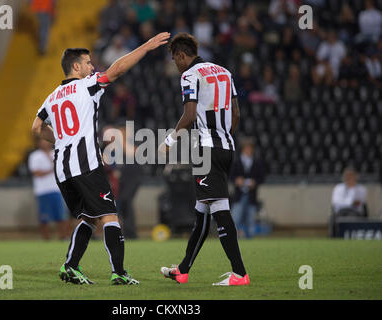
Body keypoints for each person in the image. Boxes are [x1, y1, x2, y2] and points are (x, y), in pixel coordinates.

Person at [31, 32, 170, 285]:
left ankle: (71, 266)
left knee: (89, 217)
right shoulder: (88, 84)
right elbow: (117, 69)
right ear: (76, 66)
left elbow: (36, 127)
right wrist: (146, 46)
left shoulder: (51, 98)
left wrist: (61, 140)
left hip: (62, 169)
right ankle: (119, 273)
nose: (91, 67)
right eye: (87, 62)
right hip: (85, 164)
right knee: (109, 216)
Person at [159, 33, 250, 286]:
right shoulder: (224, 72)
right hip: (227, 147)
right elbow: (236, 115)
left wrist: (169, 141)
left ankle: (240, 274)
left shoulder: (189, 75)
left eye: (174, 59)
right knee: (202, 210)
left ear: (181, 55)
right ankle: (184, 269)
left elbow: (189, 115)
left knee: (219, 210)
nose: (175, 65)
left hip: (206, 150)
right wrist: (222, 138)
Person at [28, 138, 69, 240]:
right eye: (42, 141)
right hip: (42, 190)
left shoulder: (56, 153)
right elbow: (36, 173)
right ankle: (46, 238)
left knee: (61, 216)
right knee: (44, 217)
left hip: (57, 189)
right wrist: (52, 169)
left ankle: (63, 236)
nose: (45, 143)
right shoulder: (35, 156)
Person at [230, 137, 265, 239]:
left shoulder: (257, 162)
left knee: (251, 222)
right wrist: (237, 180)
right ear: (243, 149)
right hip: (239, 195)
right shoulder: (236, 162)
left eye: (250, 148)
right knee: (235, 219)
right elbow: (231, 177)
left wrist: (255, 182)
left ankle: (250, 241)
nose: (249, 150)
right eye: (247, 148)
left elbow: (262, 178)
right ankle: (233, 240)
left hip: (251, 195)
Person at [330, 167, 368, 237]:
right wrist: (350, 203)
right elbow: (336, 202)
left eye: (351, 175)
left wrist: (352, 188)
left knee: (352, 216)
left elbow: (359, 203)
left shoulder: (361, 189)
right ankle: (334, 237)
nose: (349, 178)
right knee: (333, 218)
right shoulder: (338, 188)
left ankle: (352, 237)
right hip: (340, 212)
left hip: (355, 212)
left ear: (356, 176)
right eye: (347, 175)